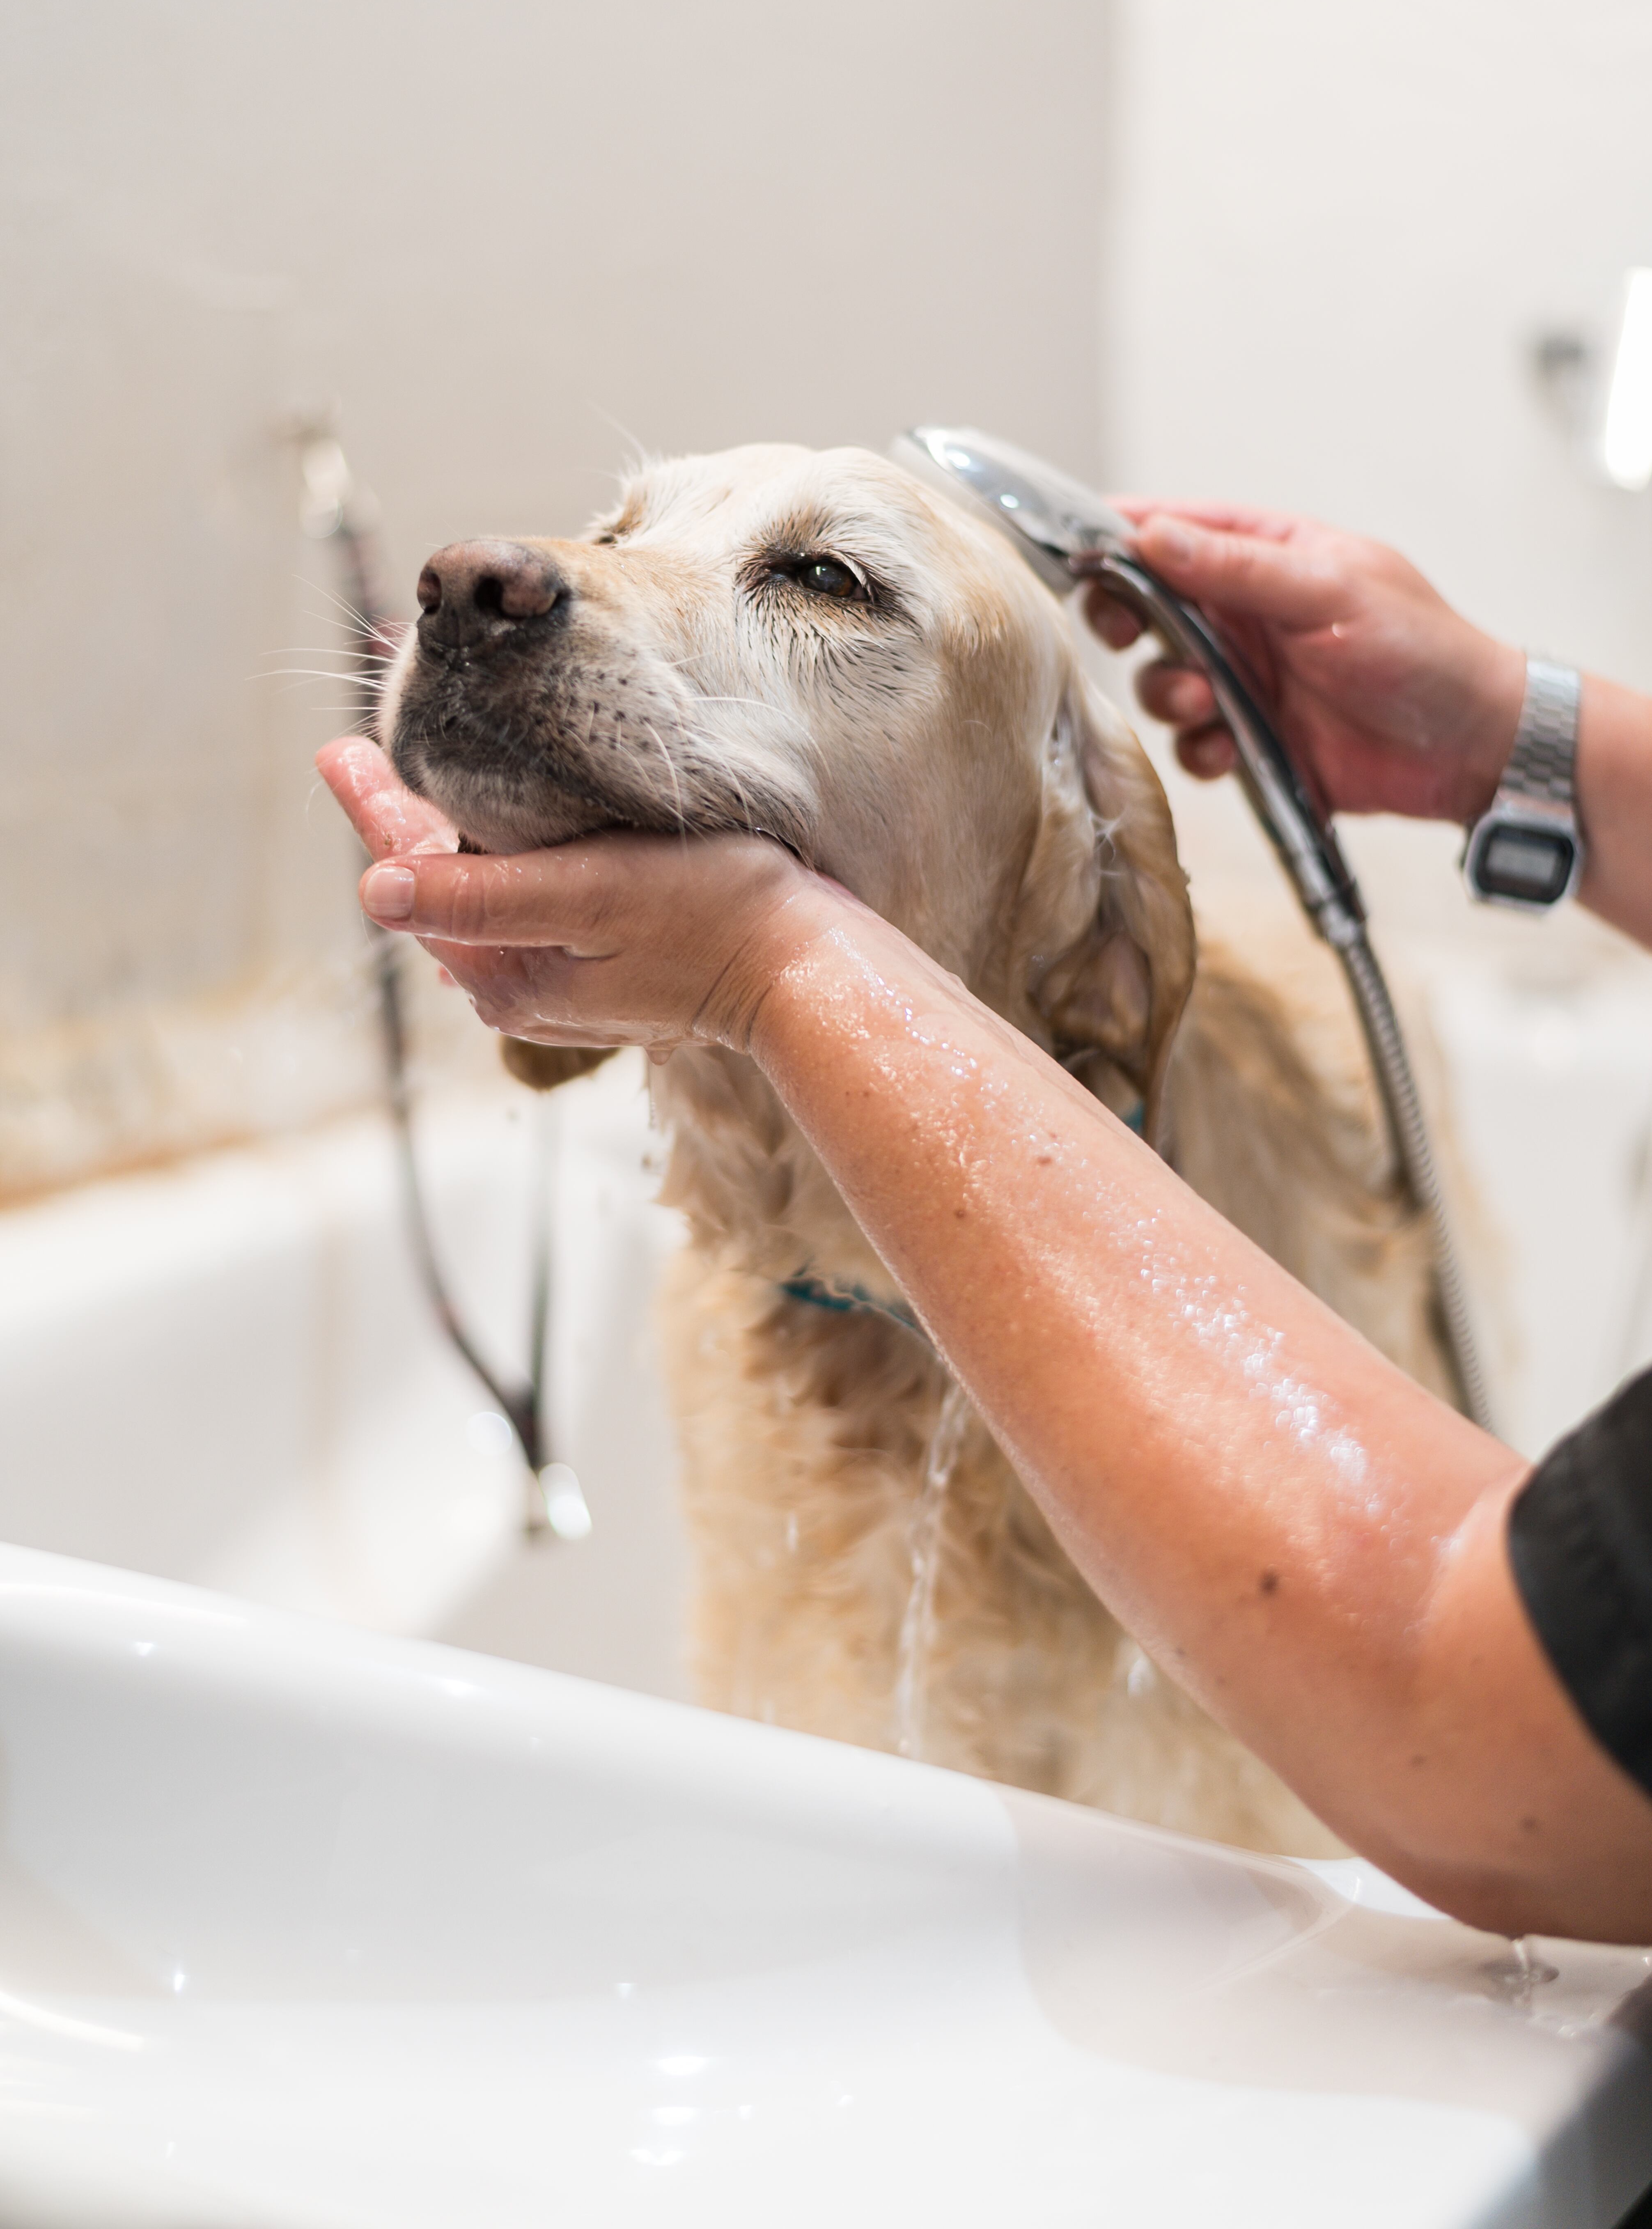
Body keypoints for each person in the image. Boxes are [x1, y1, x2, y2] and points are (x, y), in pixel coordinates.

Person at [319, 499, 1652, 1945]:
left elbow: (1488, 1761)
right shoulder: (709, 1280)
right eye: (620, 526)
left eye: (824, 584)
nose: (511, 581)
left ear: (1091, 901)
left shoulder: (1257, 1116)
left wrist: (769, 968)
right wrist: (1525, 740)